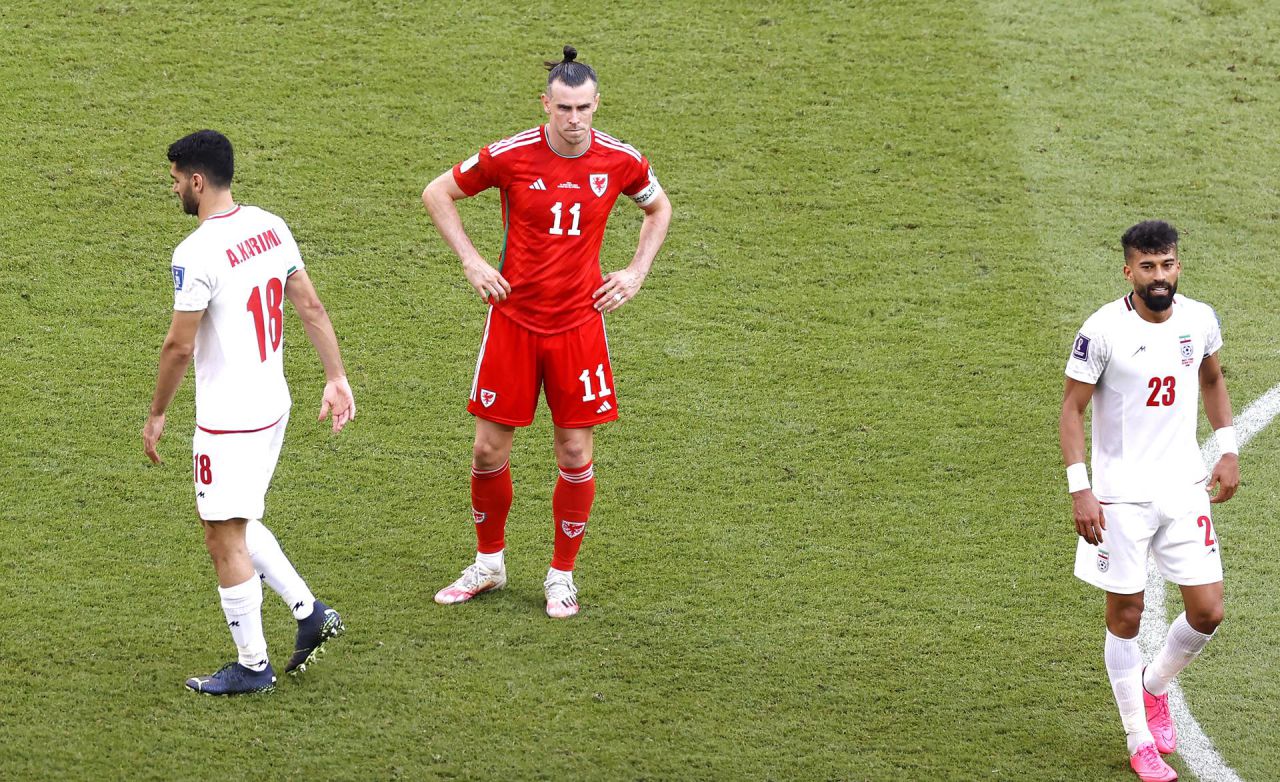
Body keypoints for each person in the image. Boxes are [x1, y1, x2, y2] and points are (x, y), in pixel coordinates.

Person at [421, 46, 672, 618]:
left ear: (597, 104)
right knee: (487, 449)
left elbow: (659, 210)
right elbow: (439, 193)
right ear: (547, 104)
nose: (576, 120)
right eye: (565, 108)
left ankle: (562, 575)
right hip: (512, 321)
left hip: (578, 326)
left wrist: (635, 272)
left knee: (575, 449)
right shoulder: (512, 156)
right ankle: (489, 564)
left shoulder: (621, 160)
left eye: (585, 108)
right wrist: (472, 260)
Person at [143, 130, 356, 694]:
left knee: (221, 535)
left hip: (229, 418)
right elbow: (308, 304)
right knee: (239, 518)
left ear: (196, 180)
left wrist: (158, 412)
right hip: (273, 403)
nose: (174, 191)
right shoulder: (270, 224)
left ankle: (253, 666)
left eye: (174, 181)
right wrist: (335, 377)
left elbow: (178, 347)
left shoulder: (196, 252)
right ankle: (309, 612)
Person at [1059, 220, 1239, 781]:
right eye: (1147, 267)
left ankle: (1153, 687)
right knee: (1127, 614)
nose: (1158, 276)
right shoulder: (1102, 331)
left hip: (1184, 489)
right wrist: (1080, 488)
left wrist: (1227, 448)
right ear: (1129, 271)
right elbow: (1071, 410)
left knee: (1208, 611)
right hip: (1120, 500)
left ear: (1177, 265)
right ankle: (1139, 738)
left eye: (1167, 265)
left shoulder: (1199, 318)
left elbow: (1212, 379)